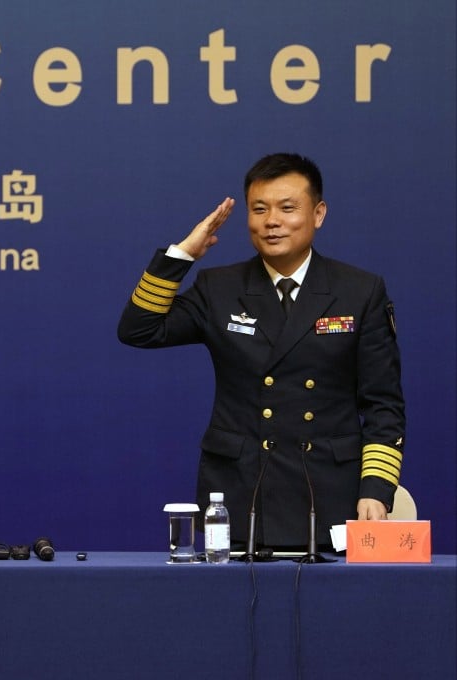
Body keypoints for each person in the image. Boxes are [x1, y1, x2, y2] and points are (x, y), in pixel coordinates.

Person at [118, 153, 404, 550]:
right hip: (240, 492)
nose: (272, 221)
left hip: (330, 493)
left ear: (318, 214)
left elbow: (382, 405)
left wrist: (375, 488)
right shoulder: (219, 287)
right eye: (259, 209)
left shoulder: (359, 291)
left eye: (287, 208)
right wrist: (182, 255)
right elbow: (139, 330)